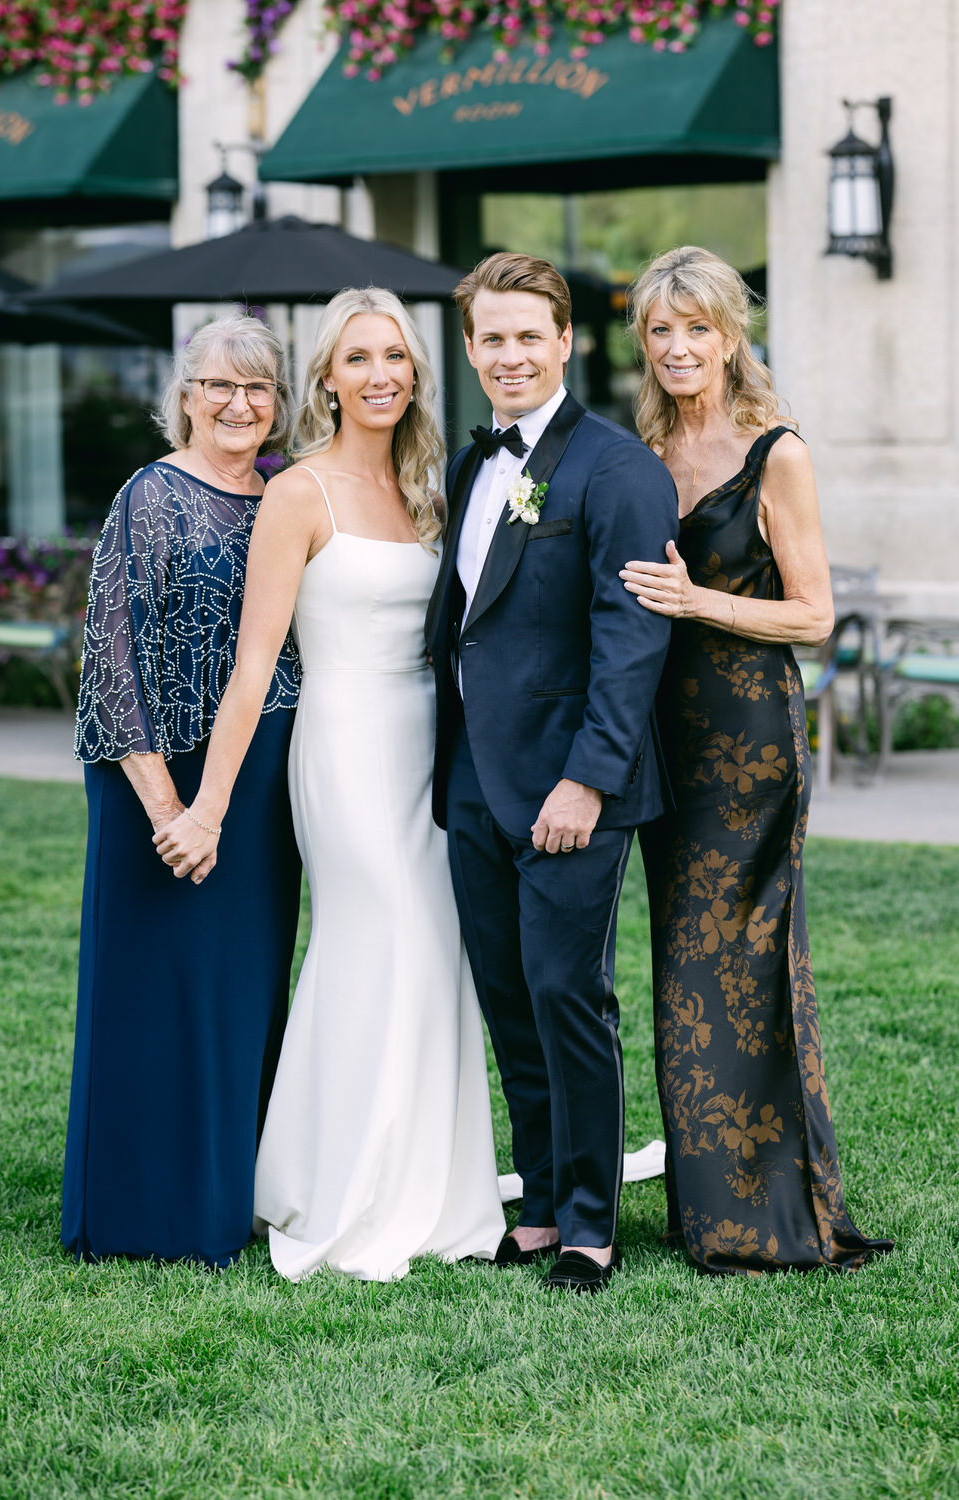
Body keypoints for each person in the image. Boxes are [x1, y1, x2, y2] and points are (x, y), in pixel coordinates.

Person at [153, 287, 505, 1283]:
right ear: (326, 380)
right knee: (378, 935)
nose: (381, 374)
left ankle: (433, 1188)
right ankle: (346, 1189)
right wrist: (209, 803)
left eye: (395, 356)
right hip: (344, 744)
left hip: (429, 749)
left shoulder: (427, 492)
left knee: (436, 950)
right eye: (358, 359)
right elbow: (255, 663)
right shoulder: (296, 493)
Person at [620, 245, 893, 1274]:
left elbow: (813, 615)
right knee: (684, 970)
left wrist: (700, 602)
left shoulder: (775, 451)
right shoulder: (641, 451)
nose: (679, 346)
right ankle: (709, 1207)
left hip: (751, 744)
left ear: (730, 337)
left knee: (749, 962)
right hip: (665, 743)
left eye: (696, 327)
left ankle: (772, 1213)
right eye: (660, 330)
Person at [426, 252, 678, 1293]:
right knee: (508, 999)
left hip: (572, 782)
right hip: (475, 783)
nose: (510, 355)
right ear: (472, 347)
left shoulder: (616, 469)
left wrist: (587, 780)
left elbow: (631, 640)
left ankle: (588, 1224)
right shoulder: (469, 464)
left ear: (567, 341)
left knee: (568, 995)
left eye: (530, 335)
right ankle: (536, 1202)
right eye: (492, 337)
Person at [63, 310, 302, 1266]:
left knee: (239, 991)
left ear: (278, 403)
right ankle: (142, 1210)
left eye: (258, 388)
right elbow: (111, 660)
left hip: (263, 778)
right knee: (154, 990)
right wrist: (169, 808)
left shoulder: (290, 493)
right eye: (220, 386)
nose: (239, 404)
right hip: (156, 774)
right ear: (186, 397)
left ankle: (231, 1191)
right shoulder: (150, 496)